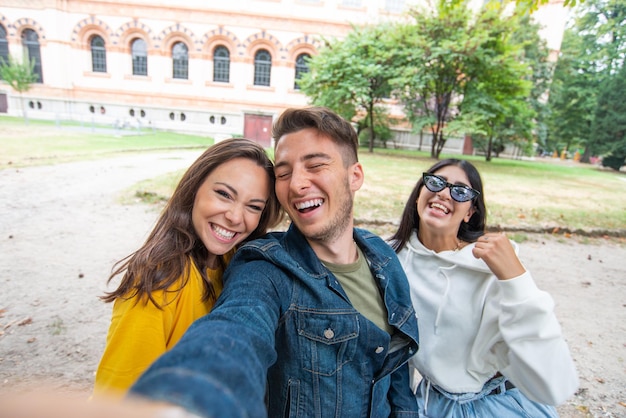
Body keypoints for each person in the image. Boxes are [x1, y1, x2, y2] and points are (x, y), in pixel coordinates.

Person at [126, 106, 420, 418]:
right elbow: (234, 334)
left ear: (354, 176)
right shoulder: (265, 271)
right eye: (283, 173)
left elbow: (397, 374)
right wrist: (192, 401)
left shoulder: (383, 257)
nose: (295, 184)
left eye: (316, 165)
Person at [93, 138, 283, 398]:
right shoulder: (158, 281)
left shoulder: (235, 261)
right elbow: (119, 400)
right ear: (194, 188)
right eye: (224, 194)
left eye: (253, 207)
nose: (236, 217)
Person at [389, 158, 579, 417]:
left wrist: (516, 279)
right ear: (419, 193)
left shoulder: (489, 264)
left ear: (470, 212)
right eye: (435, 182)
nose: (444, 193)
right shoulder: (389, 259)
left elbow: (555, 386)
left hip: (501, 404)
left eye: (460, 191)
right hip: (433, 403)